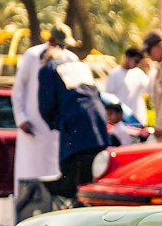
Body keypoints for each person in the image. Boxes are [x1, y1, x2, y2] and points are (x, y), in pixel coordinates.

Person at [10, 24, 79, 222]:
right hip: (31, 128)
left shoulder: (70, 59)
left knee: (55, 173)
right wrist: (21, 118)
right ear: (50, 41)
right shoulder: (32, 56)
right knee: (29, 175)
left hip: (56, 130)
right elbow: (18, 91)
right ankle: (24, 217)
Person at [38, 45, 111, 204]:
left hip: (75, 120)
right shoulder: (80, 67)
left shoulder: (48, 68)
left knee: (71, 170)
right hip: (97, 119)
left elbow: (46, 102)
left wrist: (54, 122)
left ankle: (74, 200)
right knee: (92, 167)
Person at [104, 46, 150, 125]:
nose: (137, 64)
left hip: (139, 119)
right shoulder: (114, 74)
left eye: (139, 62)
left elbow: (150, 90)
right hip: (122, 122)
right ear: (127, 57)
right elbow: (108, 99)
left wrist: (149, 70)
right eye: (136, 61)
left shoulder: (139, 73)